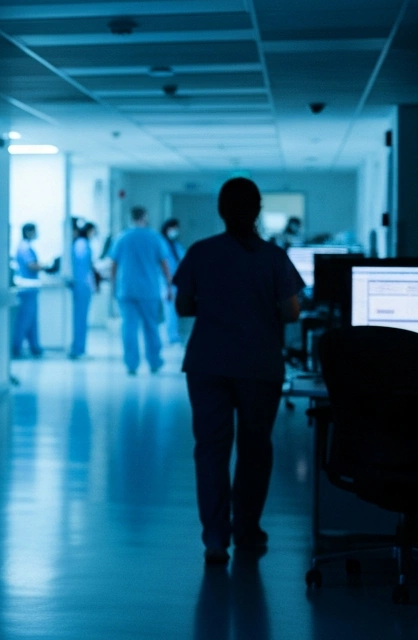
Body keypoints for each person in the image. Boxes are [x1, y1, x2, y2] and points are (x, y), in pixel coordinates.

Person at [173, 178, 303, 565]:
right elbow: (292, 311)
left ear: (221, 210)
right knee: (254, 448)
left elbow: (182, 305)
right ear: (258, 210)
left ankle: (215, 538)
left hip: (207, 363)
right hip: (259, 365)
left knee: (210, 450)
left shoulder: (200, 252)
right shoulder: (273, 257)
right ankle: (247, 532)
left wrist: (216, 306)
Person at [110, 207, 172, 375]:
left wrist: (113, 286)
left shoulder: (121, 238)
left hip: (126, 290)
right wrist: (169, 285)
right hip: (149, 290)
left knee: (128, 327)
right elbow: (165, 263)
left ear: (130, 217)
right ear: (145, 217)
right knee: (151, 326)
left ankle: (131, 364)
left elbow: (113, 265)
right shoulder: (154, 237)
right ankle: (154, 361)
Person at [12, 223, 46, 358]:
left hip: (31, 288)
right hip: (26, 288)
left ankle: (35, 347)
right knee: (24, 320)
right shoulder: (24, 248)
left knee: (32, 321)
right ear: (28, 232)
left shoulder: (26, 247)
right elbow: (31, 265)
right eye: (34, 231)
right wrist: (46, 266)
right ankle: (16, 347)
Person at [69, 220, 98, 359]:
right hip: (82, 286)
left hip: (83, 286)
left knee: (81, 319)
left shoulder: (82, 244)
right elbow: (82, 269)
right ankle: (78, 349)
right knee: (80, 319)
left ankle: (79, 348)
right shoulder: (81, 244)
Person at [160, 218, 184, 345]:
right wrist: (168, 284)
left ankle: (173, 335)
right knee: (169, 310)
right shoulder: (162, 244)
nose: (176, 231)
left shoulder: (175, 245)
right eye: (174, 228)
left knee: (173, 310)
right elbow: (163, 266)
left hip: (176, 282)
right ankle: (170, 336)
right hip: (166, 282)